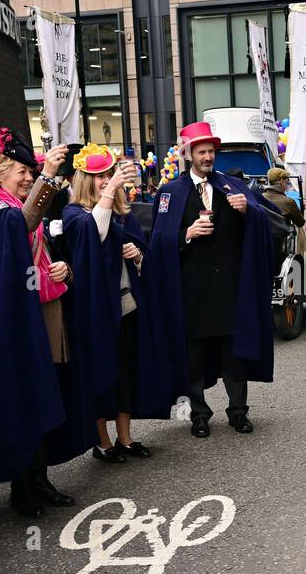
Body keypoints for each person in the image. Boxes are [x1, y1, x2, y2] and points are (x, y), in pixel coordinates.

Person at [0, 129, 92, 517]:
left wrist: (64, 268)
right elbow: (20, 225)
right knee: (23, 397)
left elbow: (37, 243)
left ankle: (41, 478)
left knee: (45, 395)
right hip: (11, 323)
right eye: (21, 170)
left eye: (29, 171)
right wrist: (48, 177)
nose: (25, 177)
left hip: (42, 309)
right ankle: (22, 487)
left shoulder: (13, 206)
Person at [145, 121, 274, 438]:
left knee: (235, 354)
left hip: (230, 288)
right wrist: (185, 235)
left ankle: (239, 412)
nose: (207, 156)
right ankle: (199, 415)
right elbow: (157, 241)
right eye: (201, 151)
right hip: (192, 290)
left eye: (211, 151)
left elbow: (269, 223)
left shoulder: (233, 187)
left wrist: (248, 212)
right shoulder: (170, 193)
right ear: (188, 153)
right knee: (194, 357)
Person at [62, 143, 171, 463]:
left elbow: (142, 251)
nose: (106, 180)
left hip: (127, 306)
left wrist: (138, 257)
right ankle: (102, 442)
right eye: (98, 176)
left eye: (109, 175)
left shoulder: (124, 214)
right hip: (95, 313)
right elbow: (94, 232)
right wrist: (111, 191)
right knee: (101, 375)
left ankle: (125, 438)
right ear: (85, 180)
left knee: (126, 374)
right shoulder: (73, 214)